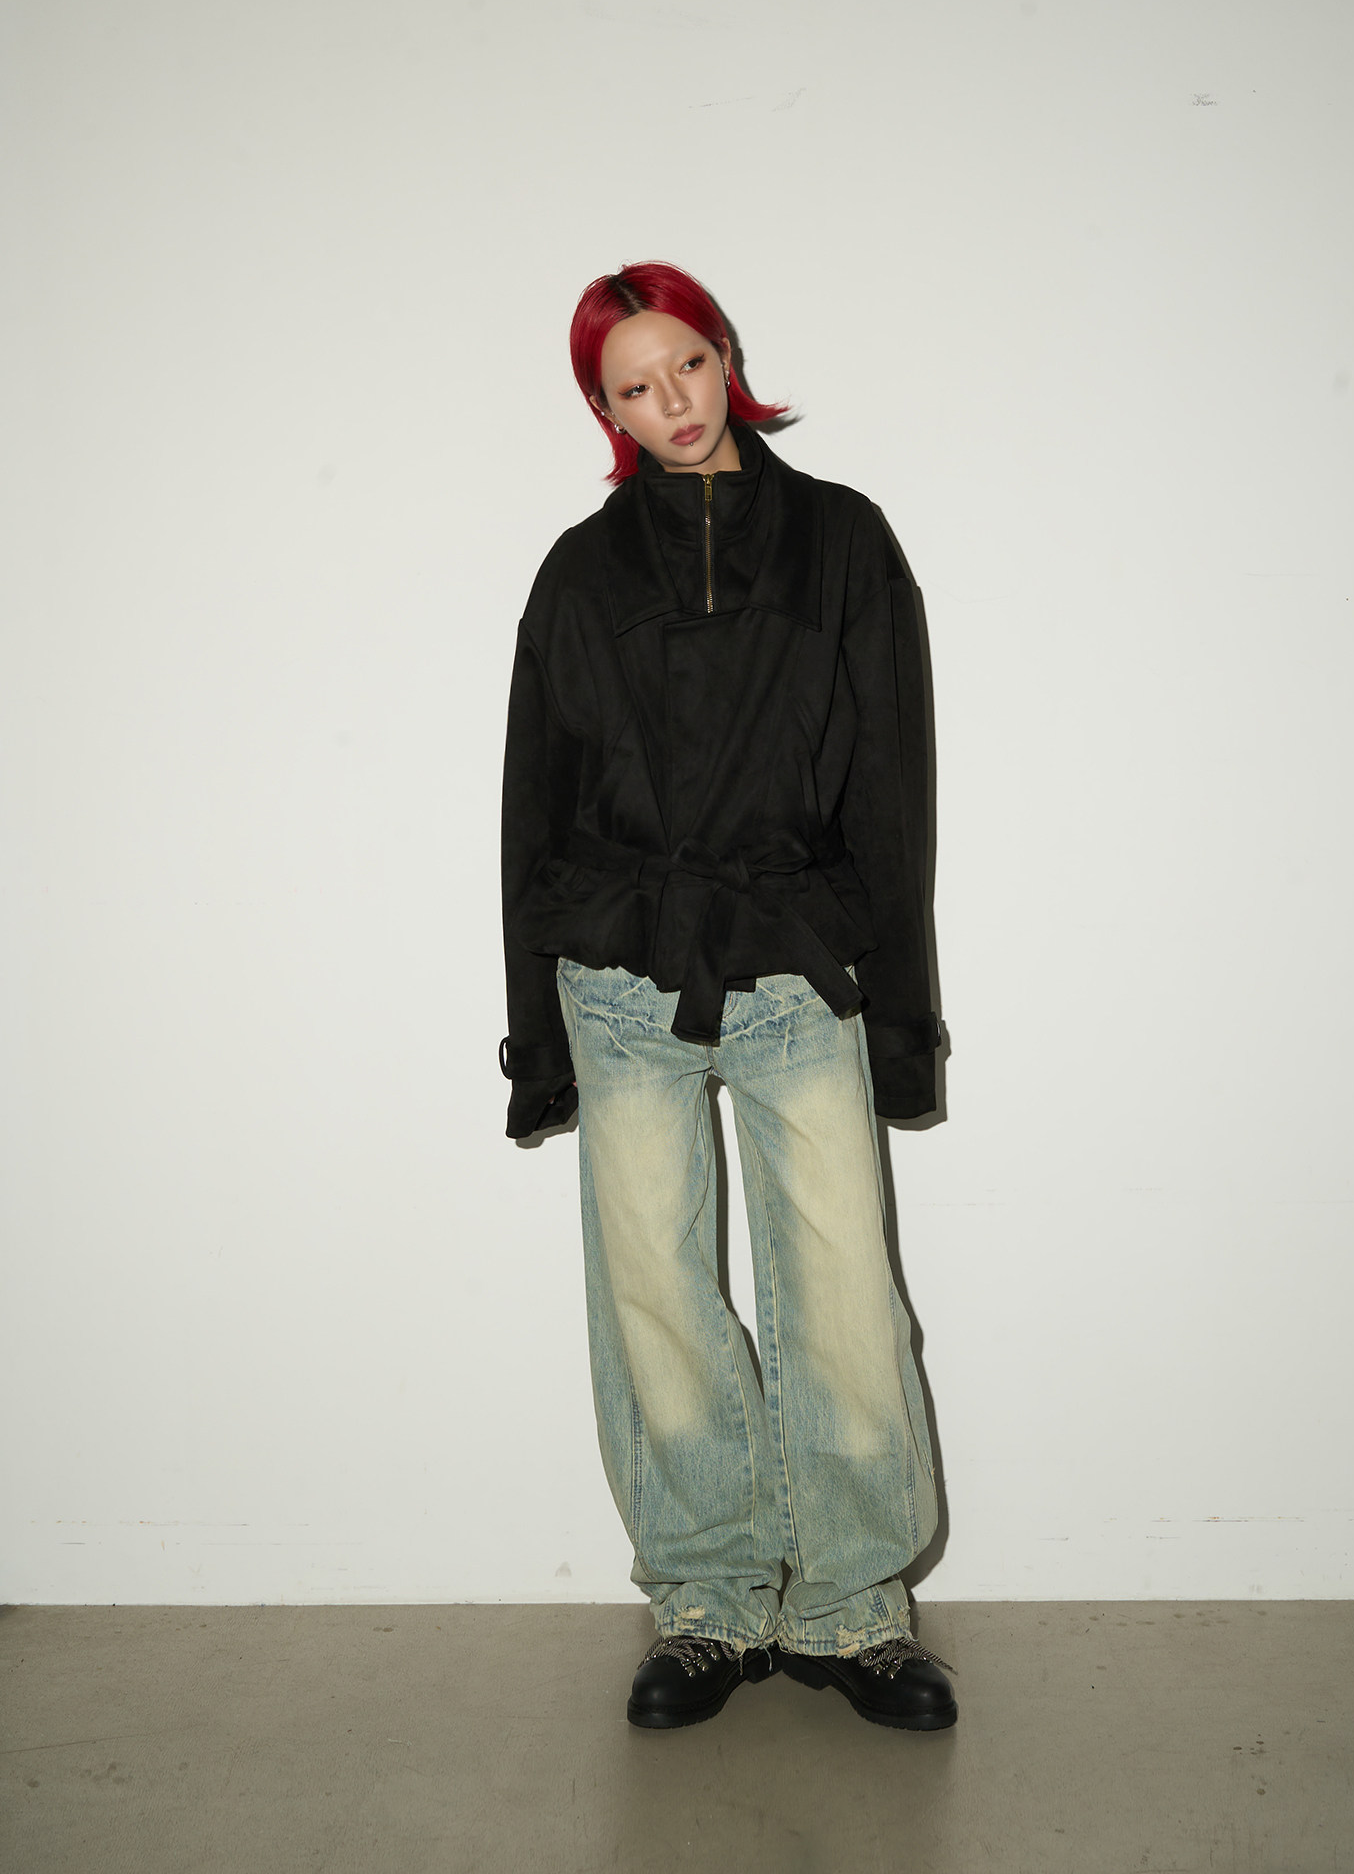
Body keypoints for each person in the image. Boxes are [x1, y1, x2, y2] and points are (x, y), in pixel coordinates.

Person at [499, 261, 955, 1732]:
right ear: (608, 410)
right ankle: (706, 1602)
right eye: (633, 387)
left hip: (795, 960)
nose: (672, 402)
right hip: (619, 970)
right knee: (655, 1295)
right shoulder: (581, 573)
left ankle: (852, 1611)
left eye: (686, 363)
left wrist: (902, 1016)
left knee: (845, 1296)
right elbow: (531, 802)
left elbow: (891, 787)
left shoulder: (841, 542)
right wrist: (535, 1030)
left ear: (724, 354)